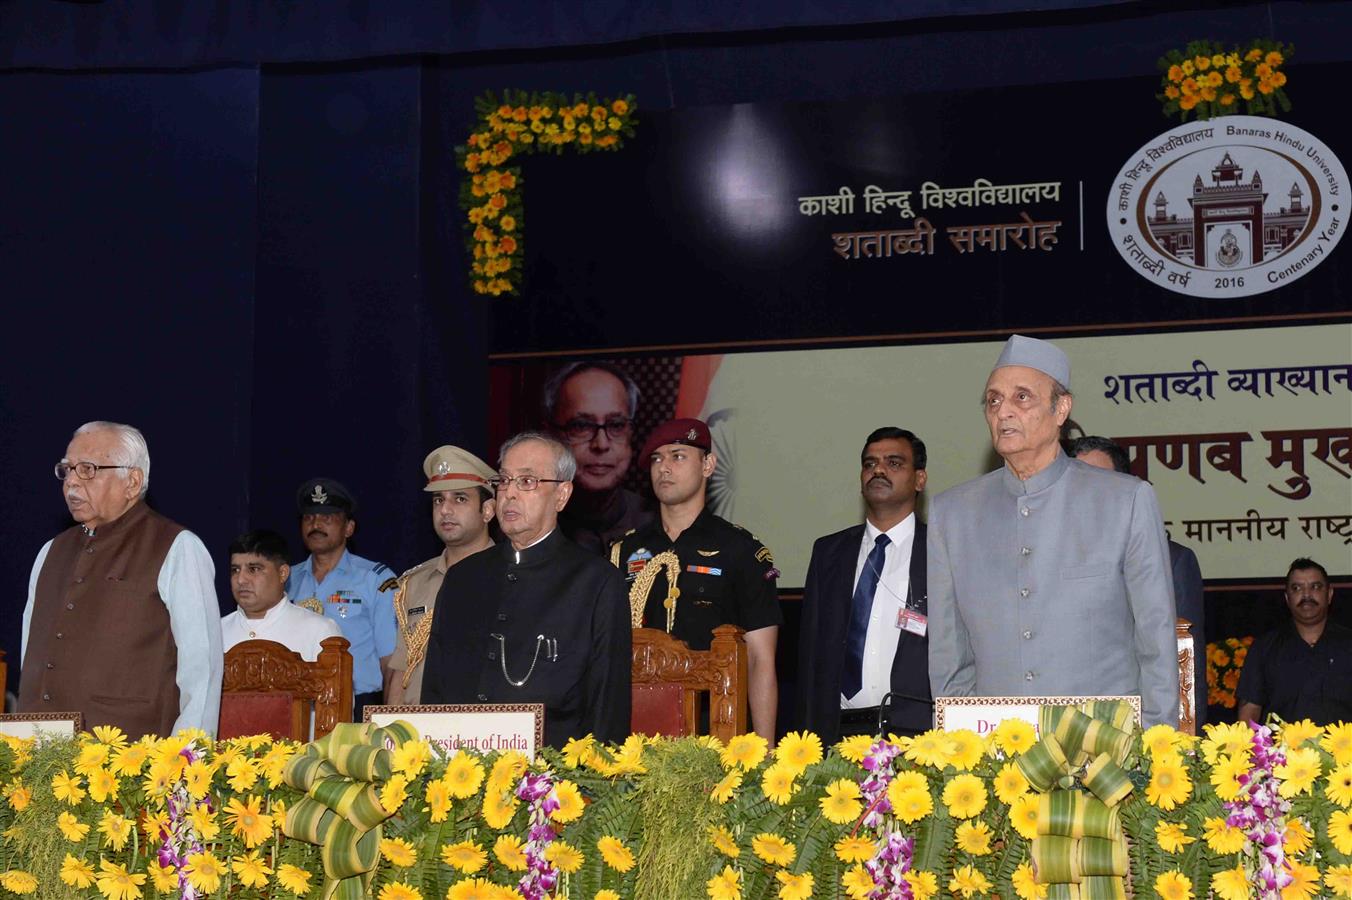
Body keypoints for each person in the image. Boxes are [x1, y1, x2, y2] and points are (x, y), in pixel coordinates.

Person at [927, 335, 1179, 726]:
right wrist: (959, 747)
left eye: (1022, 397)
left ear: (1061, 408)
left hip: (1106, 758)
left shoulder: (1125, 501)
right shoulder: (952, 514)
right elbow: (949, 658)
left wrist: (1157, 749)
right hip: (998, 762)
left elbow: (1156, 641)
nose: (1003, 411)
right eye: (993, 400)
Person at [421, 432, 631, 747]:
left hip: (552, 778)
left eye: (527, 482)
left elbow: (606, 708)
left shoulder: (596, 582)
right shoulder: (462, 578)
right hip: (459, 772)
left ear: (561, 495)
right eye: (504, 481)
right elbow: (434, 692)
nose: (509, 494)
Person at [20, 421, 222, 737]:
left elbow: (202, 670)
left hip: (134, 762)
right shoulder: (51, 551)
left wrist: (187, 760)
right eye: (67, 469)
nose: (71, 481)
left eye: (87, 469)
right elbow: (30, 656)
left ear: (132, 481)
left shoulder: (178, 547)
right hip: (43, 758)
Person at [610, 417, 782, 742]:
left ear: (708, 465)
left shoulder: (740, 550)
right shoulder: (624, 550)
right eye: (656, 459)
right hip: (635, 732)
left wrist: (766, 753)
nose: (664, 467)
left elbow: (760, 659)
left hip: (713, 728)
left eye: (677, 456)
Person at [798, 427, 931, 743]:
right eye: (870, 464)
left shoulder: (942, 550)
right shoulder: (828, 552)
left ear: (920, 479)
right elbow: (809, 660)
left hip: (918, 739)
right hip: (836, 736)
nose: (879, 470)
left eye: (894, 463)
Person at [1070, 434, 1207, 727]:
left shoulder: (1172, 560)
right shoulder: (1050, 560)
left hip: (1135, 727)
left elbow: (1185, 664)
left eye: (1097, 482)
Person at [386, 445, 497, 705]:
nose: (445, 510)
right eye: (439, 500)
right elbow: (403, 670)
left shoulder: (510, 579)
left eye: (460, 499)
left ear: (488, 510)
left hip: (482, 734)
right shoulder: (414, 583)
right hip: (416, 736)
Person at [286, 478, 397, 717]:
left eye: (327, 518)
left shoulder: (375, 580)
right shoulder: (285, 580)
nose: (316, 524)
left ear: (349, 528)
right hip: (295, 706)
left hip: (356, 706)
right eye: (309, 517)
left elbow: (391, 664)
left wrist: (387, 719)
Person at [544, 362, 653, 553]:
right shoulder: (523, 529)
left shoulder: (661, 526)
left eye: (616, 425)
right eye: (581, 426)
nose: (601, 444)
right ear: (552, 435)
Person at [1237, 558, 1351, 726]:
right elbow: (1250, 711)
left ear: (1329, 594)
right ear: (1287, 598)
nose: (1306, 595)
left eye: (1315, 587)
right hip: (1282, 750)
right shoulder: (1264, 648)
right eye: (1297, 588)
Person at [221, 529, 341, 660]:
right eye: (235, 570)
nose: (241, 579)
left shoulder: (319, 631)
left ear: (283, 573)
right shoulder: (216, 632)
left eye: (254, 569)